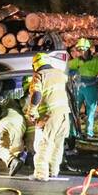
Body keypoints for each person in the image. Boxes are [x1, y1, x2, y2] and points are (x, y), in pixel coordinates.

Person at [25, 51, 70, 181]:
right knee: (58, 144)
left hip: (50, 115)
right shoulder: (60, 74)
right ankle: (53, 171)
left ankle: (40, 174)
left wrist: (32, 111)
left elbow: (37, 95)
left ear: (35, 65)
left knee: (44, 144)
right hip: (64, 115)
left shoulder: (39, 76)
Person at [68, 38, 98, 139]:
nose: (81, 52)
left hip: (91, 87)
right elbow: (67, 67)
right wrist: (72, 72)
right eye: (79, 50)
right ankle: (73, 132)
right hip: (79, 88)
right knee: (74, 109)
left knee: (91, 110)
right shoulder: (77, 61)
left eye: (82, 50)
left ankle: (89, 133)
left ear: (88, 49)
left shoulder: (96, 61)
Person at [0, 96, 28, 177]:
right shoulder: (17, 104)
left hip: (7, 121)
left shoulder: (4, 102)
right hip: (21, 123)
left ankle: (12, 161)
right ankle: (17, 159)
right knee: (15, 149)